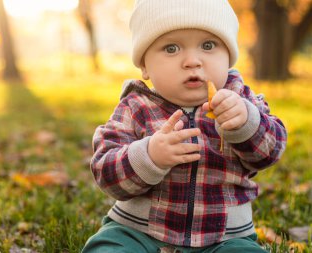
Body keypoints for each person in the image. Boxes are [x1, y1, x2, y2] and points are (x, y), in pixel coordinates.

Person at [82, 0, 287, 252]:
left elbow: (271, 152)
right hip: (139, 230)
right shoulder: (136, 106)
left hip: (224, 237)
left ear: (229, 57)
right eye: (171, 48)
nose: (192, 61)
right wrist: (149, 156)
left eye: (208, 45)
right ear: (144, 65)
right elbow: (106, 172)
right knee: (110, 248)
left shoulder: (242, 102)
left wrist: (247, 124)